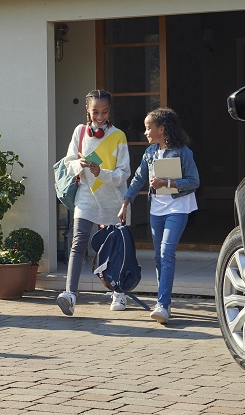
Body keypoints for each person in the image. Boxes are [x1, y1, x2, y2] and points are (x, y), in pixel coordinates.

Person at [119, 107, 200, 325]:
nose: (145, 132)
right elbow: (138, 179)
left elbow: (194, 182)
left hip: (178, 208)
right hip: (156, 209)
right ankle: (164, 301)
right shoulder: (150, 153)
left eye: (148, 128)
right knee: (158, 257)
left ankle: (162, 305)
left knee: (166, 253)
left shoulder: (183, 152)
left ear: (161, 129)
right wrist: (126, 201)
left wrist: (168, 184)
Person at [54, 90, 131, 316]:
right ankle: (70, 295)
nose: (100, 116)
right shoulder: (79, 132)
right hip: (86, 197)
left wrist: (101, 172)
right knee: (78, 243)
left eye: (104, 112)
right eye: (95, 111)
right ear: (87, 110)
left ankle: (119, 293)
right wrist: (80, 164)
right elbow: (67, 164)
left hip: (112, 200)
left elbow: (123, 173)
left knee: (114, 248)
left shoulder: (119, 136)